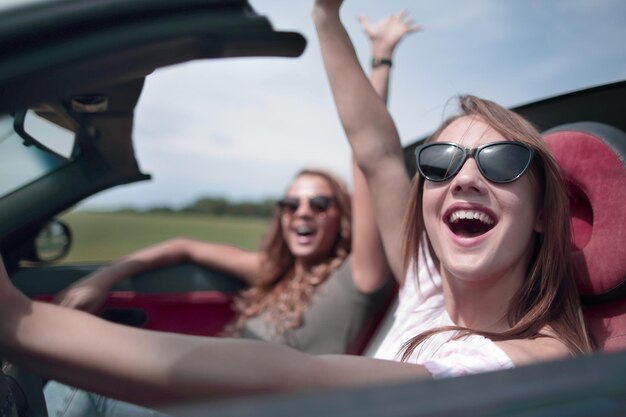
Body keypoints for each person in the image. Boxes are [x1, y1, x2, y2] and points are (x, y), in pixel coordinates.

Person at [0, 0, 592, 409]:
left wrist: (20, 323)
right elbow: (377, 152)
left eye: (501, 163)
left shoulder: (524, 360)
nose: (465, 178)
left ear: (543, 212)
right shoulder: (426, 284)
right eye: (440, 162)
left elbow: (305, 382)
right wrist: (325, 15)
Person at [39, 9, 419, 417]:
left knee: (77, 383)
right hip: (206, 399)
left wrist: (381, 58)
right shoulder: (270, 271)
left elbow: (370, 160)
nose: (302, 212)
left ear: (340, 219)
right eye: (291, 204)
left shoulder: (358, 279)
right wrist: (103, 279)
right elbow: (184, 246)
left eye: (319, 204)